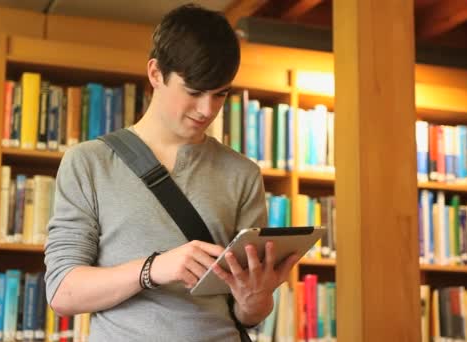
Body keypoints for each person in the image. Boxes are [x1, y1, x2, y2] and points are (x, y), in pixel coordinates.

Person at [44, 3, 299, 341]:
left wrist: (256, 299)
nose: (207, 110)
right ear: (155, 74)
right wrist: (154, 268)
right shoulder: (87, 163)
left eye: (220, 94)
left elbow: (246, 314)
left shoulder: (243, 174)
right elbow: (62, 292)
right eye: (193, 92)